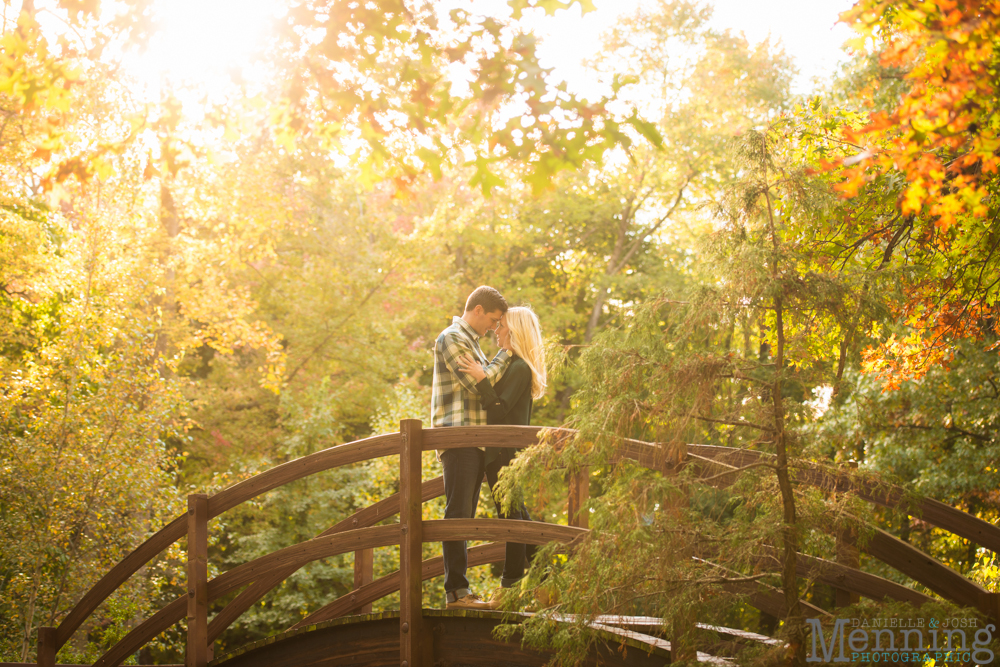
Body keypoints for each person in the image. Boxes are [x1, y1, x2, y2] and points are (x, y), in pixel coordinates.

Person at [457, 305, 546, 599]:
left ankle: (510, 587)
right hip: (501, 450)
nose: (496, 329)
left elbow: (498, 410)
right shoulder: (511, 364)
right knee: (516, 516)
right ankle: (546, 578)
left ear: (515, 331)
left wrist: (481, 380)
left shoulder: (520, 367)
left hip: (507, 452)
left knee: (512, 518)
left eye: (502, 325)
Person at [432, 286, 512, 610]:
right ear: (478, 310)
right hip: (458, 436)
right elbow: (479, 385)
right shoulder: (452, 338)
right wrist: (505, 355)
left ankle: (461, 592)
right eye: (493, 320)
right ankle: (457, 594)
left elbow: (484, 378)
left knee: (464, 514)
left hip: (475, 439)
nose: (494, 327)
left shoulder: (474, 345)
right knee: (458, 514)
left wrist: (489, 366)